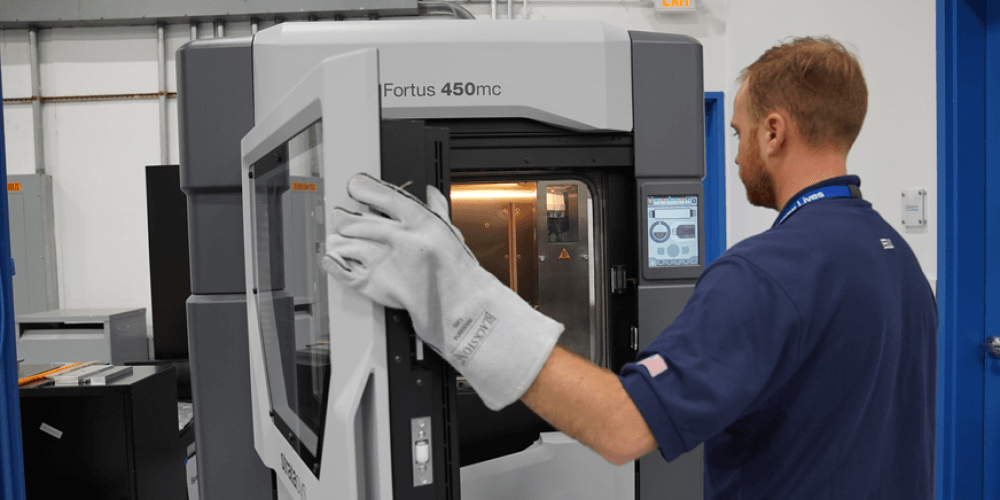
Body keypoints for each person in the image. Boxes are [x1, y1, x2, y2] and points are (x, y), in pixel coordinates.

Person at [322, 36, 937, 499]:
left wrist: (456, 300)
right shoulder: (899, 261)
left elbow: (622, 428)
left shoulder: (767, 273)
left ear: (775, 132)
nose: (738, 154)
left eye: (739, 133)